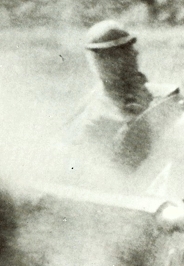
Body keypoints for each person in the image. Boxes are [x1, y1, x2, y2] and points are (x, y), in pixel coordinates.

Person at [71, 20, 172, 165]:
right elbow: (115, 171)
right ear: (100, 60)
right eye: (121, 51)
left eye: (130, 47)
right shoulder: (96, 118)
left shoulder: (163, 92)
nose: (133, 54)